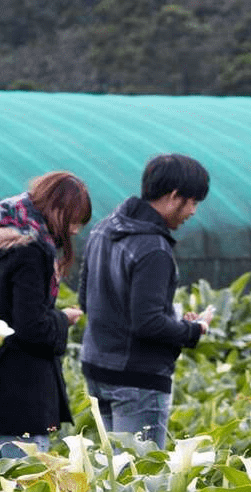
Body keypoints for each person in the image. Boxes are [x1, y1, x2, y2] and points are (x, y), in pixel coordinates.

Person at [0, 171, 91, 467]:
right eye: (74, 221)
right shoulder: (32, 251)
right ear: (57, 211)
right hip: (20, 399)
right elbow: (31, 328)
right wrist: (62, 319)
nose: (75, 231)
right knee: (23, 485)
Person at [78, 153, 213, 449]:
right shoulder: (154, 248)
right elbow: (147, 323)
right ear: (174, 196)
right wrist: (195, 329)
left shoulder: (102, 230)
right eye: (192, 202)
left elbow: (86, 300)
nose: (193, 211)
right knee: (142, 471)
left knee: (114, 467)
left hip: (98, 369)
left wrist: (173, 322)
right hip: (137, 379)